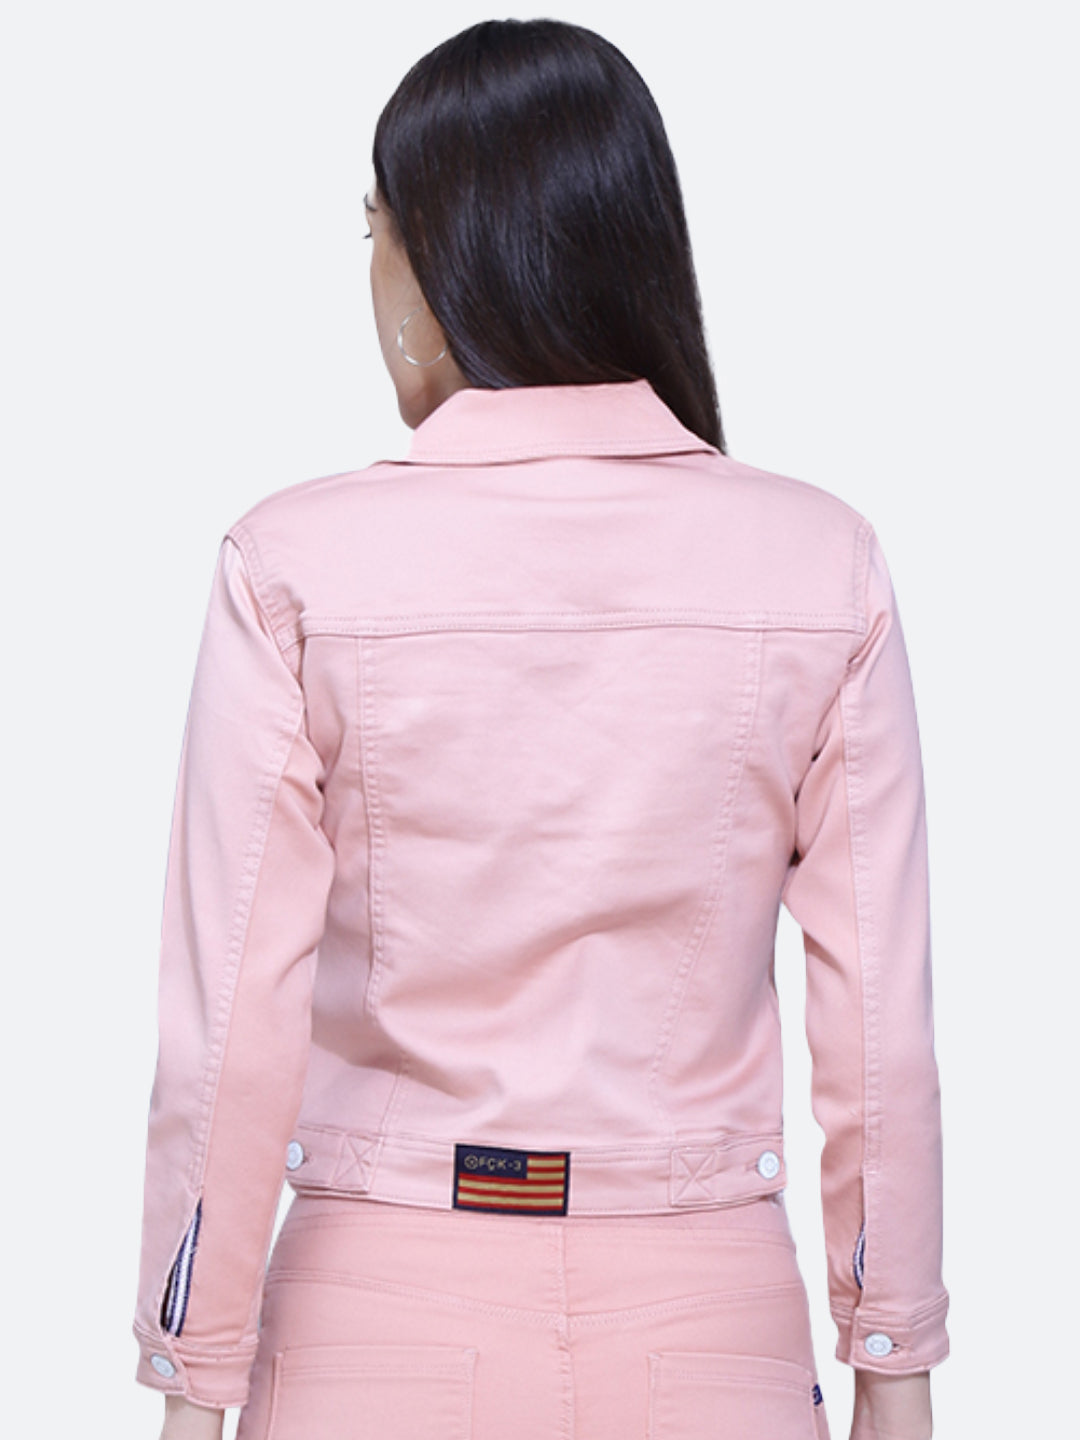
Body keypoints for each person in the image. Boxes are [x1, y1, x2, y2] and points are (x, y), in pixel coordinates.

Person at [131, 19, 949, 1440]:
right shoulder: (823, 563)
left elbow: (230, 1024)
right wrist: (895, 1359)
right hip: (711, 1339)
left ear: (437, 262)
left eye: (374, 233)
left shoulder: (292, 564)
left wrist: (191, 1376)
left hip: (370, 1334)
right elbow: (879, 1021)